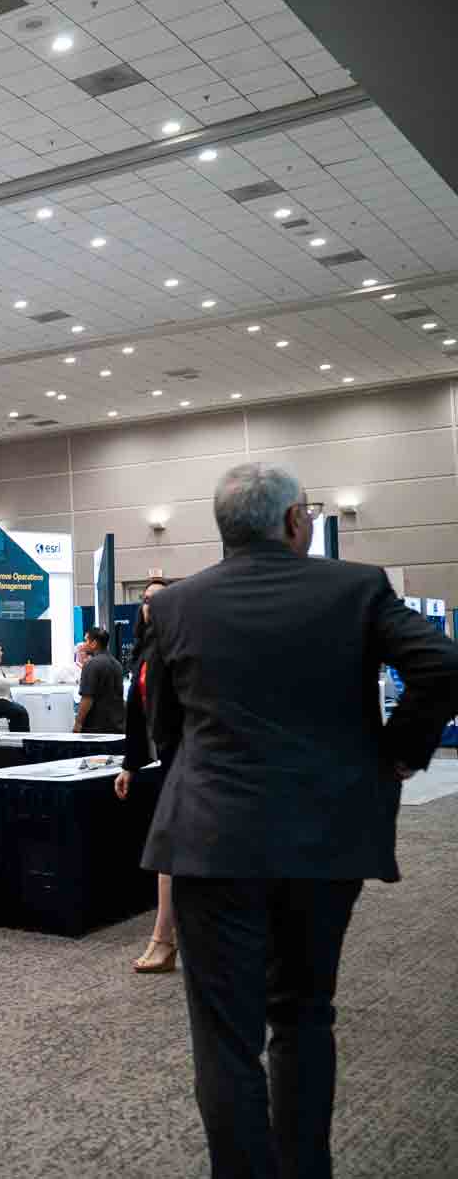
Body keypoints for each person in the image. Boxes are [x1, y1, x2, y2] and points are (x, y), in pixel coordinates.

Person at [144, 463, 458, 1178]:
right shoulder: (356, 587)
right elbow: (443, 667)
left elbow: (167, 732)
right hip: (323, 842)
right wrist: (400, 755)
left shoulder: (176, 606)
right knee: (305, 1013)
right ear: (294, 522)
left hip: (211, 843)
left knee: (225, 1039)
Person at [114, 580, 175, 973]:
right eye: (145, 599)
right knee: (171, 849)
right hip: (169, 761)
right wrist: (129, 764)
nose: (149, 605)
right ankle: (165, 940)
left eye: (158, 598)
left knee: (172, 849)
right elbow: (136, 714)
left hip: (190, 761)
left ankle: (164, 940)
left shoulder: (178, 646)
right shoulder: (145, 651)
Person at [72, 627, 124, 734]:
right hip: (116, 727)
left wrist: (78, 724)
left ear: (94, 643)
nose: (83, 644)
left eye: (86, 640)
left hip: (96, 729)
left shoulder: (91, 665)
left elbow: (87, 699)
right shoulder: (117, 665)